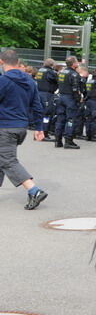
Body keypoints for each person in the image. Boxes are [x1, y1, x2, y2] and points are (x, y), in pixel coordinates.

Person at [0, 49, 48, 209]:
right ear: (17, 62)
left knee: (8, 160)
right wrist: (39, 127)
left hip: (5, 127)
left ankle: (34, 190)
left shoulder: (4, 81)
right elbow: (37, 105)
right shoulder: (29, 81)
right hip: (21, 127)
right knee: (2, 158)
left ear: (1, 62)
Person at [52, 56, 83, 149]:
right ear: (74, 64)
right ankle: (68, 140)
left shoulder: (62, 72)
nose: (78, 63)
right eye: (77, 62)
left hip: (61, 97)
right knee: (70, 119)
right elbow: (75, 89)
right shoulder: (74, 74)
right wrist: (78, 99)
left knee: (60, 118)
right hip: (69, 98)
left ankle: (58, 140)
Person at [33, 58, 58, 141]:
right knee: (46, 114)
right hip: (47, 94)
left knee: (40, 113)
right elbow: (57, 81)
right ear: (52, 65)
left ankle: (37, 133)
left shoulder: (40, 70)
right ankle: (44, 134)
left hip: (39, 93)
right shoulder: (50, 72)